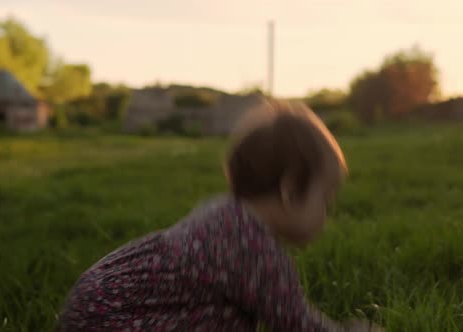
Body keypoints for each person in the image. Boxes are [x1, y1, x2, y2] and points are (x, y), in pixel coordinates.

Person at [58, 99, 353, 331]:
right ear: (290, 191)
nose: (326, 214)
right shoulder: (254, 250)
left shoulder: (221, 213)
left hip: (95, 307)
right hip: (116, 322)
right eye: (325, 199)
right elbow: (296, 323)